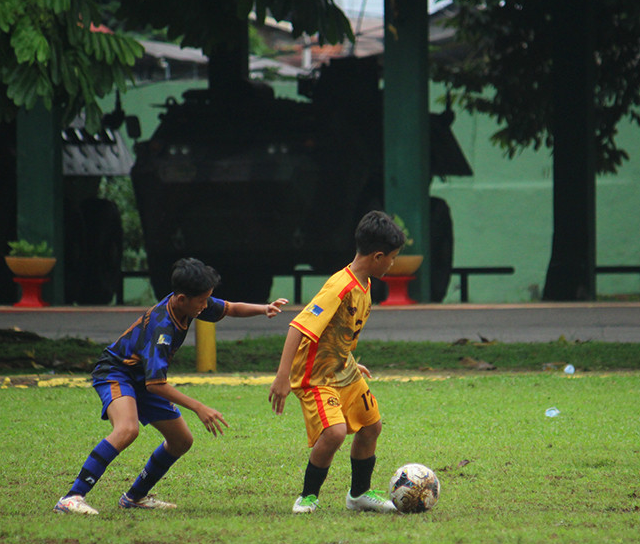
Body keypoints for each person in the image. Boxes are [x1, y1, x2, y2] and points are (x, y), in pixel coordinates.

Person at [54, 257, 288, 515]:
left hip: (143, 377)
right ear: (180, 299)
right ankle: (72, 497)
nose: (205, 305)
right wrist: (199, 407)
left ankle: (135, 497)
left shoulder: (191, 303)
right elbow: (156, 385)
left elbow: (230, 308)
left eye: (207, 299)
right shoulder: (161, 329)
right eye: (201, 301)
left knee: (180, 440)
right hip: (117, 373)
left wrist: (263, 308)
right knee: (127, 429)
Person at [269, 210, 406, 514]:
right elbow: (298, 326)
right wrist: (282, 376)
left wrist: (352, 363)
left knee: (372, 426)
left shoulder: (365, 284)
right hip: (316, 376)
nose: (393, 264)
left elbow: (338, 334)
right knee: (334, 433)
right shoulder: (339, 286)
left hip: (343, 370)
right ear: (378, 256)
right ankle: (308, 496)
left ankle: (358, 495)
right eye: (392, 258)